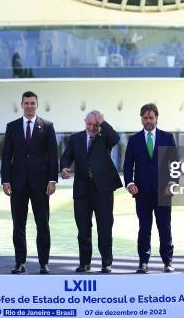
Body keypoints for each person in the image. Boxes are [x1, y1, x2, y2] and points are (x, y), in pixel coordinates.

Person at [2, 91, 58, 275]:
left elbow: (53, 156)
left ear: (37, 104)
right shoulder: (12, 127)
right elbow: (6, 156)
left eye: (33, 103)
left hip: (41, 184)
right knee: (18, 224)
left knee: (43, 224)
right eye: (26, 103)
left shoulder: (47, 126)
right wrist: (5, 180)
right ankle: (20, 263)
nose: (30, 106)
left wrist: (52, 180)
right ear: (22, 104)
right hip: (17, 184)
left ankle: (44, 263)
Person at [60, 110, 122, 274]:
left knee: (105, 228)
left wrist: (103, 122)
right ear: (85, 122)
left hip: (103, 190)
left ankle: (106, 263)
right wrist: (64, 167)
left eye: (95, 124)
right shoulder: (76, 138)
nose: (92, 127)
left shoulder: (105, 137)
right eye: (89, 124)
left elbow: (116, 138)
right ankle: (84, 263)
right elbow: (66, 157)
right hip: (82, 190)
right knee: (83, 229)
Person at [123, 103, 178, 274]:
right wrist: (130, 183)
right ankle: (143, 262)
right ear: (141, 119)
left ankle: (167, 262)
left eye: (151, 117)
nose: (148, 121)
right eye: (145, 118)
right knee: (144, 227)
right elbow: (127, 166)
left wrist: (173, 183)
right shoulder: (133, 140)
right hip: (142, 192)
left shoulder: (168, 138)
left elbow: (175, 164)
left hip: (164, 192)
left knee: (165, 227)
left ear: (156, 118)